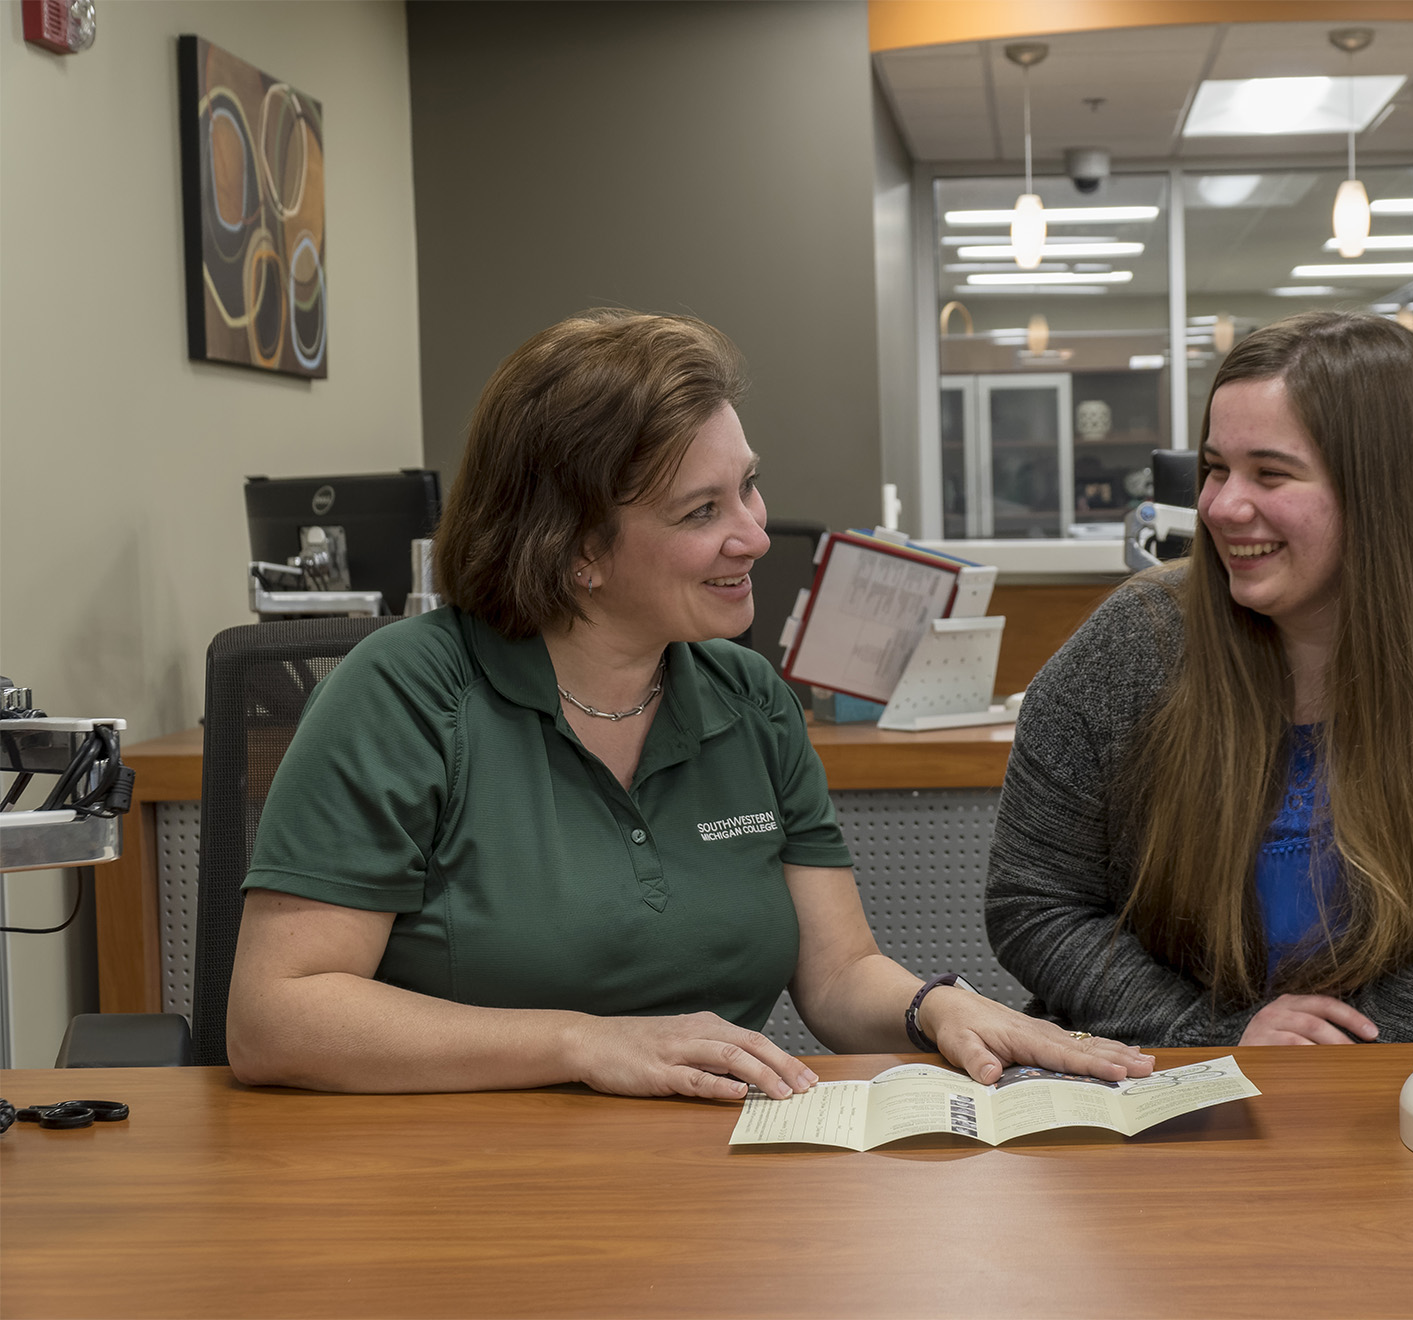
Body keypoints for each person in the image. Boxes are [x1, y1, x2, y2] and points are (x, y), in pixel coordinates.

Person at [228, 310, 1154, 1098]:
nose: (754, 534)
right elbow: (276, 1016)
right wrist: (583, 1042)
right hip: (458, 1182)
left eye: (747, 485)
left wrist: (937, 1006)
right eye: (701, 511)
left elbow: (835, 976)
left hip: (712, 1173)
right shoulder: (406, 694)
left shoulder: (748, 699)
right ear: (575, 552)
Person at [985, 311, 1413, 1047]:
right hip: (1166, 1074)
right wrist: (1218, 1038)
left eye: (1270, 473)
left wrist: (1315, 1064)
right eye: (1214, 469)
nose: (1221, 506)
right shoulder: (1129, 646)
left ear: (1384, 494)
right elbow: (1035, 902)